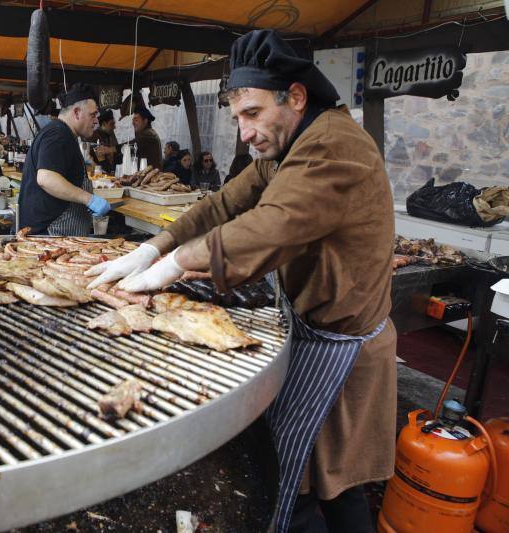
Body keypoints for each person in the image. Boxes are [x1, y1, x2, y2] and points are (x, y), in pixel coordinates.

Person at [86, 29, 395, 533]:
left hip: (346, 349)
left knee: (339, 480)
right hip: (311, 332)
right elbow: (224, 204)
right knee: (312, 471)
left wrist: (175, 266)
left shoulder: (334, 146)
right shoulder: (286, 144)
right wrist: (151, 247)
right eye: (237, 118)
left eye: (252, 114)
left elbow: (268, 225)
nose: (245, 132)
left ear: (295, 97)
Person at [18, 83, 110, 236]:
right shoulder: (59, 135)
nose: (96, 122)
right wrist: (89, 199)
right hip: (50, 233)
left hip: (55, 231)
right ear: (76, 113)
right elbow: (46, 178)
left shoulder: (62, 133)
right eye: (93, 115)